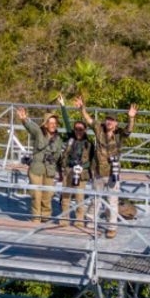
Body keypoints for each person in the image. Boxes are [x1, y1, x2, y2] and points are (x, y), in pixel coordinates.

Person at [81, 100, 138, 238]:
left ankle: (112, 227)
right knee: (96, 198)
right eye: (108, 119)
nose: (109, 122)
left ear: (116, 123)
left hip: (113, 172)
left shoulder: (119, 134)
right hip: (98, 171)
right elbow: (88, 120)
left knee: (112, 201)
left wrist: (131, 117)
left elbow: (129, 130)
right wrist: (82, 108)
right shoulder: (99, 129)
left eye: (112, 120)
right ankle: (90, 221)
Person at [15, 103, 65, 222]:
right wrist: (24, 119)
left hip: (50, 170)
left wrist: (60, 172)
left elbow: (58, 157)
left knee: (47, 196)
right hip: (36, 169)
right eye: (50, 123)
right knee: (36, 195)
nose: (53, 125)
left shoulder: (58, 139)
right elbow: (31, 127)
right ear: (45, 124)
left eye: (55, 123)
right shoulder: (39, 133)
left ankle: (45, 217)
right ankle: (36, 219)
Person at [59, 96, 98, 229]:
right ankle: (64, 219)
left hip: (81, 173)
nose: (78, 132)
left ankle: (79, 220)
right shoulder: (71, 138)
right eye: (76, 129)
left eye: (81, 129)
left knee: (79, 197)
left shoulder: (89, 143)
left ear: (85, 130)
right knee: (65, 195)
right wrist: (63, 106)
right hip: (69, 170)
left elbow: (92, 160)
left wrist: (84, 168)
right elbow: (66, 122)